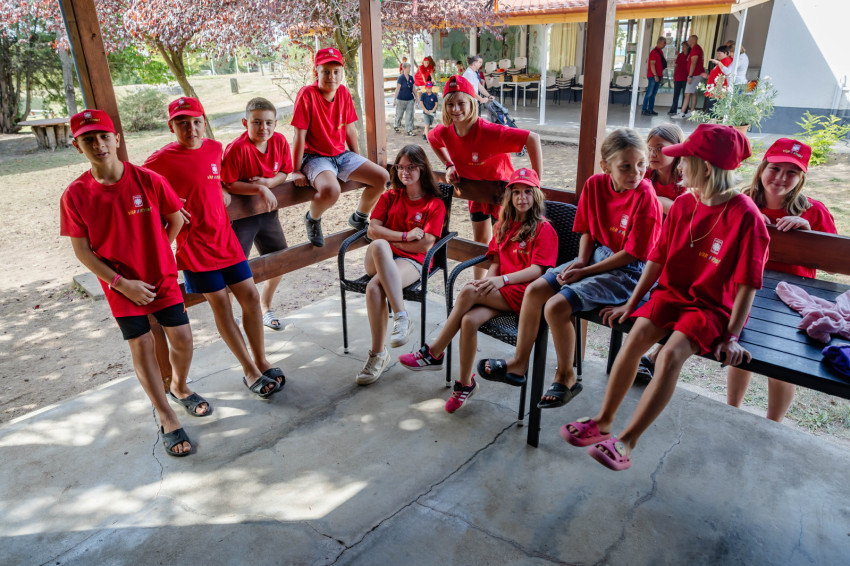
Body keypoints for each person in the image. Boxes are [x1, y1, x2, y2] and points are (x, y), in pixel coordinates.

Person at [563, 124, 768, 471]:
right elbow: (656, 260)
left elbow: (748, 284)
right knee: (635, 338)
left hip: (711, 307)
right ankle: (603, 421)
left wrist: (732, 336)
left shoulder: (746, 216)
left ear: (705, 167)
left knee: (670, 355)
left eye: (684, 160)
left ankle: (627, 442)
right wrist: (632, 304)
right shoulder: (685, 203)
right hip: (671, 294)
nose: (678, 167)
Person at [479, 129, 663, 409]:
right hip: (596, 256)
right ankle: (518, 363)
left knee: (556, 307)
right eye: (625, 166)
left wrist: (585, 271)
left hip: (629, 271)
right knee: (535, 289)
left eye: (641, 165)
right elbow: (587, 230)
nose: (636, 173)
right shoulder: (594, 185)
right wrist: (581, 260)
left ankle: (566, 377)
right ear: (605, 166)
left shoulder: (646, 195)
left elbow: (633, 255)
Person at [60, 109, 197, 457]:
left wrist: (159, 251)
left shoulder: (148, 180)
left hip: (161, 276)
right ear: (77, 146)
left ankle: (179, 387)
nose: (98, 144)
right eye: (88, 139)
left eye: (104, 136)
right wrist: (122, 283)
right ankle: (166, 416)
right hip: (120, 286)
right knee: (141, 344)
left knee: (182, 339)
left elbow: (175, 219)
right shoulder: (75, 195)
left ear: (116, 139)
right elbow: (82, 251)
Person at [147, 96, 285, 400]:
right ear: (171, 126)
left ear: (204, 122)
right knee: (222, 305)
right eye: (182, 123)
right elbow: (140, 186)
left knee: (251, 297)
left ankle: (261, 360)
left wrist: (222, 187)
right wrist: (168, 204)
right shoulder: (161, 159)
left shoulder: (214, 148)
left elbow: (218, 178)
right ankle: (249, 370)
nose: (191, 129)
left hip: (226, 240)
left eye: (196, 122)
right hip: (195, 248)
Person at [399, 168, 558, 413]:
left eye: (528, 192)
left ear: (536, 196)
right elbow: (496, 261)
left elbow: (538, 270)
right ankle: (465, 384)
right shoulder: (504, 225)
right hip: (502, 292)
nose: (522, 197)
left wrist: (501, 281)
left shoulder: (543, 229)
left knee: (467, 292)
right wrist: (488, 284)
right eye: (516, 192)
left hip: (526, 297)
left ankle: (434, 352)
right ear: (510, 196)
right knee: (469, 319)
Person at [727, 139, 837, 422]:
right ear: (762, 168)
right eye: (775, 168)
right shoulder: (740, 201)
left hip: (791, 300)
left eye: (792, 172)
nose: (780, 178)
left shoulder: (814, 211)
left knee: (782, 363)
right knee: (741, 354)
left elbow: (834, 262)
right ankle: (731, 411)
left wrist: (808, 233)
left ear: (801, 178)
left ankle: (773, 423)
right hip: (746, 292)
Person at [427, 75, 542, 280]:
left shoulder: (490, 131)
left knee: (504, 242)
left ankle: (502, 284)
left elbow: (532, 138)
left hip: (502, 193)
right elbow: (431, 139)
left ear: (472, 103)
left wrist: (536, 183)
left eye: (461, 103)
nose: (456, 109)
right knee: (480, 240)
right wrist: (449, 165)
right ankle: (478, 283)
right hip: (475, 191)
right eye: (450, 104)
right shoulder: (444, 131)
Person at [355, 145, 446, 385]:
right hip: (378, 259)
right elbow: (372, 230)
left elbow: (424, 245)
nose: (405, 172)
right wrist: (405, 236)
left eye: (411, 167)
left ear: (422, 168)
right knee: (379, 245)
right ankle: (402, 316)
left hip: (411, 262)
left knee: (374, 288)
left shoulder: (434, 204)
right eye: (400, 167)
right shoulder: (390, 196)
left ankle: (377, 355)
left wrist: (390, 239)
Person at [290, 47, 390, 247]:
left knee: (382, 178)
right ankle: (313, 218)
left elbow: (350, 130)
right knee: (331, 190)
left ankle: (359, 216)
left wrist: (357, 159)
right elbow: (299, 135)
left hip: (341, 154)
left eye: (336, 71)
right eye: (326, 71)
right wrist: (296, 170)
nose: (331, 76)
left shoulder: (343, 93)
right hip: (315, 157)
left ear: (342, 72)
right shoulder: (307, 94)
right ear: (316, 72)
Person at [220, 97, 291, 332]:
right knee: (236, 268)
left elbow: (285, 171)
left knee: (279, 260)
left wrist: (269, 182)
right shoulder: (237, 149)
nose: (263, 128)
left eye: (269, 122)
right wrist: (259, 189)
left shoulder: (279, 141)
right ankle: (231, 316)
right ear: (245, 123)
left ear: (275, 123)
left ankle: (265, 306)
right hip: (241, 219)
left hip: (268, 215)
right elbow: (229, 183)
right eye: (257, 122)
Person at [635, 123, 685, 381]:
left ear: (677, 151)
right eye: (650, 148)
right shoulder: (646, 176)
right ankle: (645, 356)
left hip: (679, 251)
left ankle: (654, 356)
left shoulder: (685, 180)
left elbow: (691, 215)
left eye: (660, 148)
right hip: (649, 247)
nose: (652, 154)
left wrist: (662, 202)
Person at [676, 35, 705, 119]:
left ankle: (682, 113)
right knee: (694, 93)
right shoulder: (696, 48)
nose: (688, 40)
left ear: (693, 40)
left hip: (695, 74)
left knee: (687, 93)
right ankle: (692, 112)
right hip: (697, 74)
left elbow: (693, 62)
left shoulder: (696, 48)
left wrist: (690, 75)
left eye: (689, 39)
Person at [704, 46, 733, 115]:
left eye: (719, 53)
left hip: (717, 91)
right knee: (711, 110)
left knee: (712, 111)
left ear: (725, 53)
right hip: (714, 90)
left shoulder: (726, 61)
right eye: (717, 53)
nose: (718, 55)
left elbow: (723, 75)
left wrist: (718, 90)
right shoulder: (722, 61)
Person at [642, 37, 667, 116]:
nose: (665, 44)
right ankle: (644, 109)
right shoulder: (654, 52)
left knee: (653, 94)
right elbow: (652, 64)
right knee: (649, 93)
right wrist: (655, 75)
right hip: (653, 76)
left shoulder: (660, 52)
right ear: (660, 42)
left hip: (658, 76)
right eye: (664, 42)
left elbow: (660, 66)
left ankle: (650, 109)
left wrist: (661, 76)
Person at [393, 62, 417, 136]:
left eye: (410, 68)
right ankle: (396, 126)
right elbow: (397, 89)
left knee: (410, 115)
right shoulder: (400, 78)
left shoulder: (411, 78)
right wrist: (394, 100)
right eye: (408, 68)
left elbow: (413, 88)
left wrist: (417, 97)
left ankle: (409, 130)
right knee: (399, 114)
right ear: (404, 68)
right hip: (401, 99)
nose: (410, 69)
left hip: (410, 99)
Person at [668, 43, 690, 115]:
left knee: (685, 95)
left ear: (688, 47)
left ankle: (684, 110)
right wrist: (674, 76)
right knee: (676, 95)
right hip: (678, 77)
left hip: (686, 78)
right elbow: (676, 66)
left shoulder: (690, 56)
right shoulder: (680, 55)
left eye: (684, 46)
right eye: (682, 46)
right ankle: (673, 109)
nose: (683, 48)